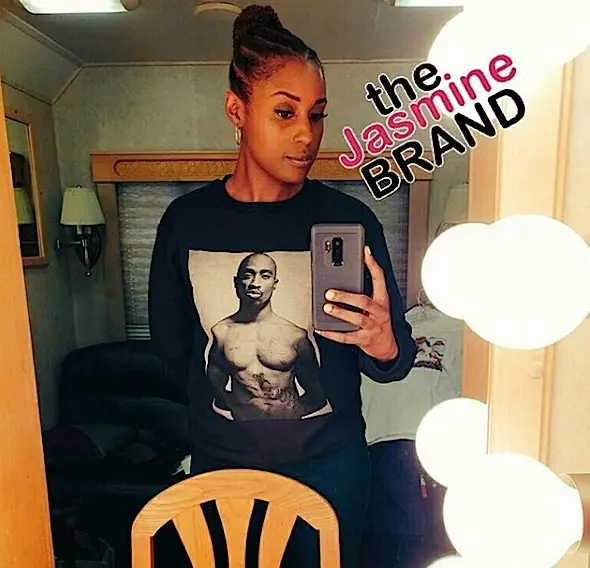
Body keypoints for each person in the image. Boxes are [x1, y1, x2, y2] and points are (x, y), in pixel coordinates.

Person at [148, 4, 417, 567]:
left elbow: (393, 365)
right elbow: (172, 352)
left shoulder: (350, 221)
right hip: (222, 469)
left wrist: (384, 343)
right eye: (285, 112)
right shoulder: (186, 223)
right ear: (237, 110)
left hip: (332, 471)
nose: (306, 134)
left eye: (317, 116)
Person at [207, 251, 333, 421]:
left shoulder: (295, 336)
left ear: (274, 284)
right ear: (236, 282)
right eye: (248, 275)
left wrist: (290, 413)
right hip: (242, 430)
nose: (255, 283)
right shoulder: (221, 333)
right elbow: (214, 390)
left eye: (265, 276)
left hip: (290, 429)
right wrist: (242, 409)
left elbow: (317, 394)